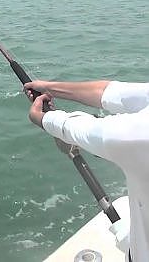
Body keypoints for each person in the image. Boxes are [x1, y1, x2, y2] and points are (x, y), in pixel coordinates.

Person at [24, 80, 149, 262]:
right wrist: (48, 88)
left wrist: (42, 117)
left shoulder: (136, 137)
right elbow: (111, 92)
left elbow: (92, 132)